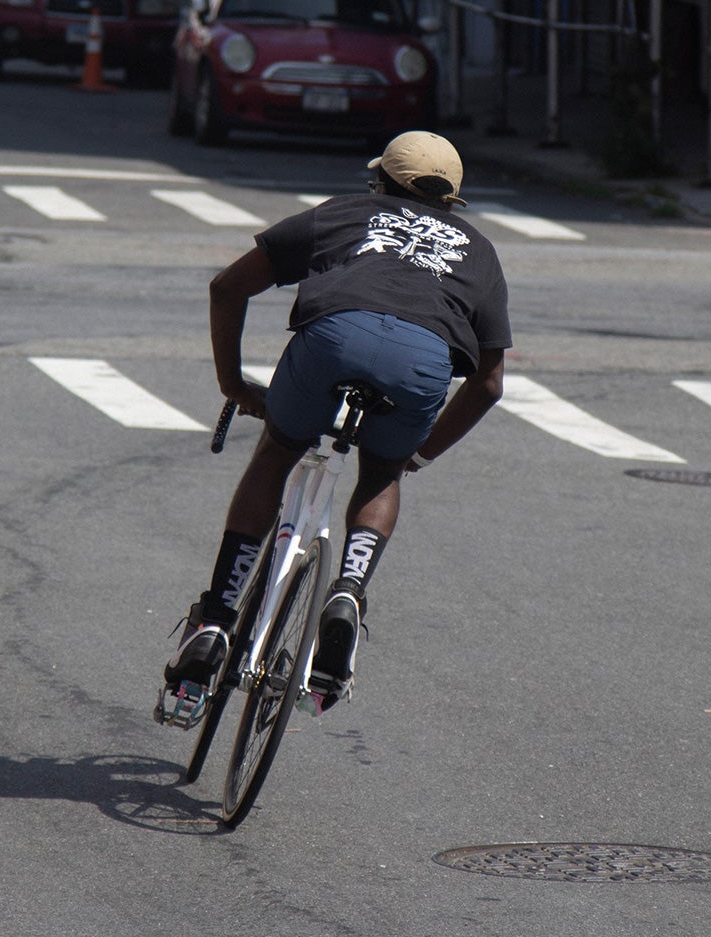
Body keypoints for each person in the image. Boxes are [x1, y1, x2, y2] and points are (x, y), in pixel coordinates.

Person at [161, 130, 511, 718]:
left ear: (381, 182)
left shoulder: (343, 213)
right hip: (422, 363)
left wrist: (233, 384)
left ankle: (217, 620)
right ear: (451, 200)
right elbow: (490, 383)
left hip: (332, 339)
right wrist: (416, 456)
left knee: (277, 450)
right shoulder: (479, 252)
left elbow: (227, 286)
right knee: (380, 474)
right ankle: (348, 589)